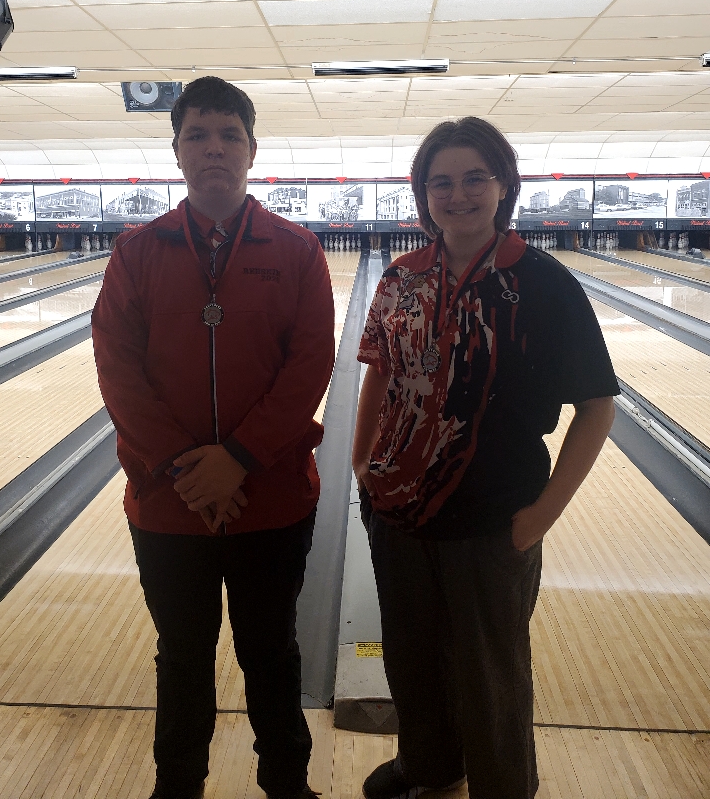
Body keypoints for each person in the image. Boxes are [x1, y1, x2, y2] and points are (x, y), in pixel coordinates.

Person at [352, 117, 619, 799]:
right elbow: (378, 370)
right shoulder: (400, 277)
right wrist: (361, 463)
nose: (458, 194)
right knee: (411, 660)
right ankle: (433, 767)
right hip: (397, 516)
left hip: (495, 518)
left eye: (475, 177)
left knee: (490, 676)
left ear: (503, 184)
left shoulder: (542, 282)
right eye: (440, 181)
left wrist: (540, 518)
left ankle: (503, 786)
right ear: (423, 193)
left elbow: (597, 406)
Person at [92, 77, 335, 799]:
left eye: (229, 134)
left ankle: (286, 783)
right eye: (198, 134)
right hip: (170, 504)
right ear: (176, 152)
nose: (214, 147)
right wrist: (184, 469)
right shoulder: (136, 251)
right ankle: (178, 786)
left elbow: (309, 364)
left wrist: (238, 460)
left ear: (253, 150)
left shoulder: (296, 250)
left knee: (271, 650)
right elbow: (117, 367)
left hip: (272, 498)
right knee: (184, 655)